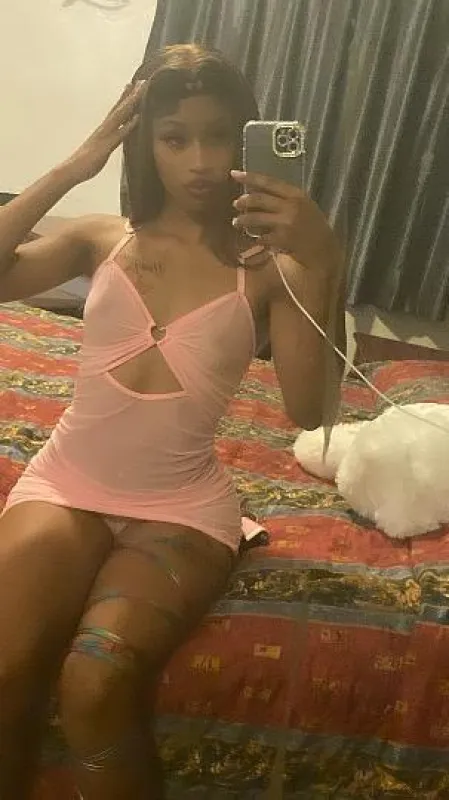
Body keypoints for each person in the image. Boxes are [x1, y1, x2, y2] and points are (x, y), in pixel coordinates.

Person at [0, 44, 346, 800]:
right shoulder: (103, 238)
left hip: (180, 508)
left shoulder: (270, 268)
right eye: (174, 137)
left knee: (95, 683)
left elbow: (308, 410)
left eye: (218, 136)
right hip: (66, 482)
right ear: (144, 143)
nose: (199, 161)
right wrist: (74, 166)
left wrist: (323, 261)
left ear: (244, 139)